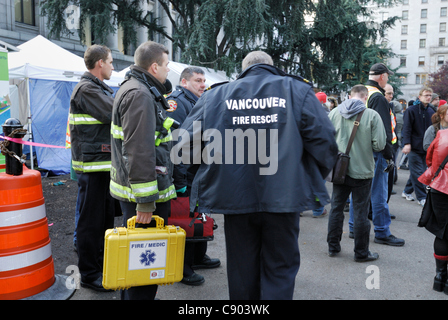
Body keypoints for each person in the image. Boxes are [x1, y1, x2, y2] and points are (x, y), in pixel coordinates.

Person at [175, 51, 338, 299]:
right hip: (283, 197)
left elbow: (184, 146)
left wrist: (213, 173)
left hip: (234, 196)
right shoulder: (296, 91)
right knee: (280, 268)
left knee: (241, 269)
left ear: (244, 68)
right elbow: (325, 143)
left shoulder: (217, 95)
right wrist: (305, 177)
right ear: (271, 67)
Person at [110, 41, 176, 300]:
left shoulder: (137, 88)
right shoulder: (140, 94)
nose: (168, 70)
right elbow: (139, 150)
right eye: (167, 65)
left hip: (136, 193)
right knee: (144, 272)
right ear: (154, 66)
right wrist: (146, 203)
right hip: (144, 199)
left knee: (138, 270)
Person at [69, 44, 118, 291]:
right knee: (91, 222)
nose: (112, 66)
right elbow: (115, 113)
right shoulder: (87, 89)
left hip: (101, 164)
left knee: (103, 220)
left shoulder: (95, 87)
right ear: (100, 63)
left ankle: (99, 267)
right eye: (110, 62)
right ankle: (89, 274)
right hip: (93, 165)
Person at [167, 67, 221, 286]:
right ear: (184, 82)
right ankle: (183, 267)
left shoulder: (200, 100)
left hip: (199, 171)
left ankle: (199, 256)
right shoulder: (177, 104)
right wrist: (179, 181)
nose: (202, 84)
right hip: (186, 173)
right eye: (198, 80)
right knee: (186, 221)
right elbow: (175, 144)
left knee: (201, 216)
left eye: (204, 80)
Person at [327, 84, 386, 262]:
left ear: (350, 96)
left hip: (339, 170)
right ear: (365, 97)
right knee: (360, 211)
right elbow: (380, 145)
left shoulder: (334, 113)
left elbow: (325, 139)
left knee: (336, 208)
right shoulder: (371, 115)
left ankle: (333, 247)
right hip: (363, 171)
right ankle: (361, 253)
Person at [364, 63, 405, 246]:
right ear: (382, 76)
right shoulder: (379, 97)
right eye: (387, 76)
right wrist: (388, 154)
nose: (387, 79)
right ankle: (381, 232)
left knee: (359, 192)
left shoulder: (362, 91)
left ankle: (353, 228)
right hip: (376, 151)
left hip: (360, 150)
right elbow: (383, 130)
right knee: (379, 193)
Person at [418, 129, 448, 294]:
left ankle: (440, 276)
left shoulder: (442, 134)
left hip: (440, 187)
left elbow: (430, 159)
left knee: (442, 232)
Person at [401, 87, 435, 206]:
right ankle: (422, 197)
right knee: (419, 173)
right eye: (426, 95)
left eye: (430, 95)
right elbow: (406, 128)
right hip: (414, 147)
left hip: (426, 148)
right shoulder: (411, 110)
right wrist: (407, 143)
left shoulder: (431, 111)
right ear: (420, 97)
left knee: (418, 172)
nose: (428, 97)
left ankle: (406, 191)